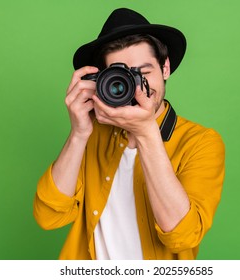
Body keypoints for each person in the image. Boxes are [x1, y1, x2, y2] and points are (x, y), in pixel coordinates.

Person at [33, 7, 225, 260]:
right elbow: (49, 217)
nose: (137, 87)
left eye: (144, 73)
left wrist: (146, 133)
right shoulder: (94, 134)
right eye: (123, 78)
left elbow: (183, 236)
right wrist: (79, 133)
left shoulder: (201, 142)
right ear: (104, 80)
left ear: (165, 68)